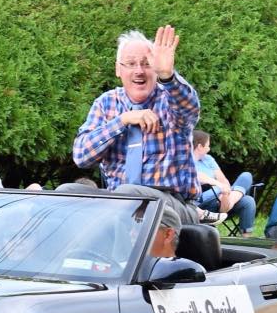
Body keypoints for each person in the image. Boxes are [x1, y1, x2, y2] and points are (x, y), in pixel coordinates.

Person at [72, 25, 223, 225]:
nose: (139, 71)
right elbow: (81, 156)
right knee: (68, 193)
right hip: (119, 202)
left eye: (146, 64)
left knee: (129, 194)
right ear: (118, 69)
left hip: (172, 204)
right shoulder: (106, 103)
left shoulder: (169, 99)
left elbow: (189, 108)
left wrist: (167, 75)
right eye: (131, 63)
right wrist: (123, 120)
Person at [192, 130, 256, 237]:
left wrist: (225, 194)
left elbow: (224, 180)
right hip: (203, 203)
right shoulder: (186, 161)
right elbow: (198, 176)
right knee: (221, 191)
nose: (209, 149)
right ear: (199, 147)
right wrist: (219, 187)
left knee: (246, 180)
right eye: (207, 146)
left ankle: (246, 240)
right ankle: (229, 200)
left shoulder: (208, 159)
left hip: (223, 198)